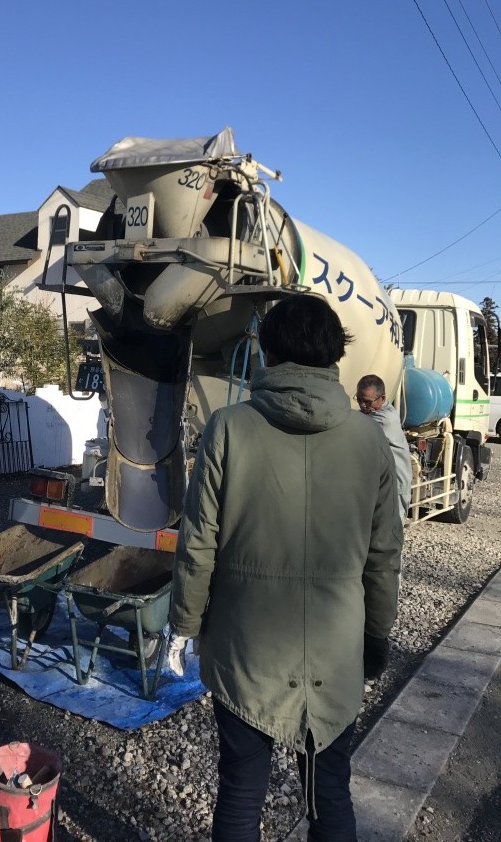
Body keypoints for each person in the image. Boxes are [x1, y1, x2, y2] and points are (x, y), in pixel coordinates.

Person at [167, 294, 403, 842]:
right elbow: (384, 555)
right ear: (335, 355)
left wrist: (185, 624)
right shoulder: (370, 440)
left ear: (267, 353)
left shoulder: (228, 427)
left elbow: (197, 543)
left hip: (244, 650)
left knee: (240, 791)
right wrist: (376, 635)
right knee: (329, 795)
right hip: (334, 653)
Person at [355, 374, 412, 524]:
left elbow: (354, 422)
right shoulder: (376, 411)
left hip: (396, 487)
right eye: (359, 400)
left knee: (392, 530)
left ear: (383, 398)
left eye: (367, 401)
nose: (363, 405)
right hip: (383, 485)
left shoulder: (385, 419)